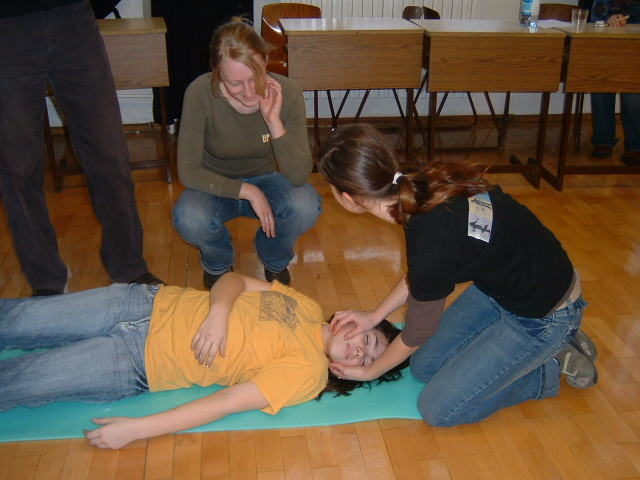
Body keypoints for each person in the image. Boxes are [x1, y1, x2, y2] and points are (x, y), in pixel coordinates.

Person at [315, 123, 598, 428]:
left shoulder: (429, 242)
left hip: (546, 314)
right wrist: (374, 316)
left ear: (348, 198)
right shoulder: (416, 182)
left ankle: (548, 365)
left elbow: (417, 331)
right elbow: (425, 274)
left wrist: (370, 371)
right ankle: (542, 348)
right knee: (422, 366)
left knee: (439, 410)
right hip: (505, 289)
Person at [0, 272, 408, 449]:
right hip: (143, 302)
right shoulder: (305, 305)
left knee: (18, 381)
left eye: (366, 360)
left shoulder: (308, 373)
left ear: (350, 373)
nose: (361, 351)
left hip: (136, 361)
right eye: (369, 339)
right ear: (354, 318)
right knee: (17, 318)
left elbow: (225, 402)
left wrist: (138, 430)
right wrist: (219, 312)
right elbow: (234, 280)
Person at [0, 1, 163, 297]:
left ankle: (128, 267)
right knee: (17, 170)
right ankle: (46, 281)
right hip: (8, 29)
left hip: (73, 19)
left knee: (109, 155)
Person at [172, 18, 321, 289]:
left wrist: (274, 122)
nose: (250, 92)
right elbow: (188, 171)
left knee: (305, 206)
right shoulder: (199, 93)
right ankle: (217, 262)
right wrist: (249, 191)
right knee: (190, 218)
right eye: (235, 83)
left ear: (266, 60)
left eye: (255, 77)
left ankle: (274, 258)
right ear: (216, 72)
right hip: (214, 182)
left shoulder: (288, 93)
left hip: (266, 178)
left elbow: (299, 175)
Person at [589, 0, 640, 165]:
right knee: (603, 80)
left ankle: (635, 144)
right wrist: (610, 15)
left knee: (633, 86)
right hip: (606, 15)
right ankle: (603, 139)